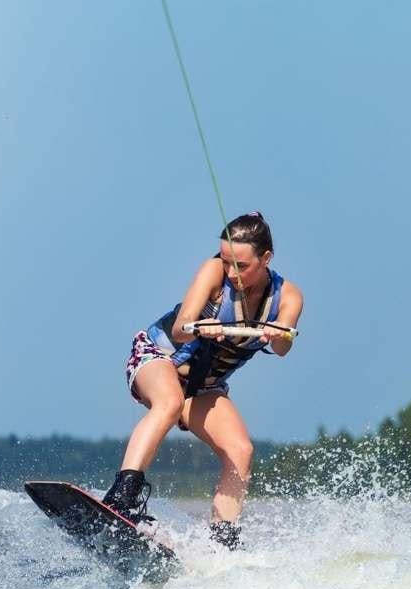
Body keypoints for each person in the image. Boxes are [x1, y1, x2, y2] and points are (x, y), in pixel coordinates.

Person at [101, 212, 304, 549]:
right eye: (226, 261)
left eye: (241, 265)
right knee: (169, 403)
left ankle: (222, 543)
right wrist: (199, 325)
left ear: (266, 258)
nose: (231, 273)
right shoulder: (213, 272)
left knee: (240, 449)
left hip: (204, 385)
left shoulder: (289, 296)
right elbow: (181, 328)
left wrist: (276, 333)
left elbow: (283, 348)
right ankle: (121, 497)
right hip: (159, 358)